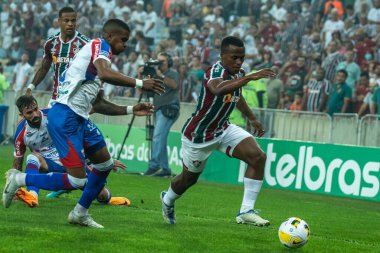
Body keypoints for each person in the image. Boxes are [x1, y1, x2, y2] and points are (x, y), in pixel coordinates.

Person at [3, 19, 165, 228]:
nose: (125, 45)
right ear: (109, 36)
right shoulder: (100, 45)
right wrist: (141, 83)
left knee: (105, 164)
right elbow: (106, 72)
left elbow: (98, 104)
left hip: (79, 118)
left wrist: (131, 109)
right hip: (65, 117)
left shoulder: (98, 64)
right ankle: (19, 180)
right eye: (123, 40)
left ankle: (80, 213)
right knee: (77, 180)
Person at [160, 36, 276, 226]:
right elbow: (217, 89)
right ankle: (168, 199)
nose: (239, 62)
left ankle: (246, 211)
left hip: (223, 129)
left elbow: (236, 97)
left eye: (242, 58)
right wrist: (248, 78)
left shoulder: (239, 74)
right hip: (199, 135)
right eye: (234, 58)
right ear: (222, 56)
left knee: (258, 157)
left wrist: (252, 118)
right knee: (188, 180)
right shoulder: (214, 71)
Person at [12, 95, 131, 208]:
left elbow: (79, 137)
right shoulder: (21, 133)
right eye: (29, 113)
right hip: (47, 163)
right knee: (33, 157)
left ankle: (107, 198)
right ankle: (32, 196)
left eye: (35, 109)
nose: (35, 114)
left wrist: (104, 161)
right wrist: (13, 189)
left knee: (101, 195)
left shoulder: (52, 115)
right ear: (21, 115)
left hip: (70, 159)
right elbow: (17, 163)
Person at [26, 7, 89, 106]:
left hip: (77, 101)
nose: (70, 24)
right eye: (66, 20)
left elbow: (95, 71)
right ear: (59, 22)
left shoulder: (86, 44)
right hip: (56, 98)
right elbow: (44, 68)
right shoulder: (51, 43)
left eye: (73, 21)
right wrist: (31, 87)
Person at [144, 52, 180, 177]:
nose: (160, 63)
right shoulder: (155, 74)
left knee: (157, 137)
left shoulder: (172, 73)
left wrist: (161, 75)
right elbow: (143, 88)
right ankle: (165, 169)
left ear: (169, 62)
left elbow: (175, 85)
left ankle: (154, 165)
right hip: (158, 108)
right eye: (158, 61)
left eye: (162, 61)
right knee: (161, 139)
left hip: (169, 109)